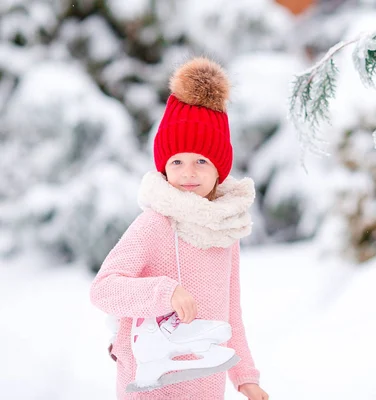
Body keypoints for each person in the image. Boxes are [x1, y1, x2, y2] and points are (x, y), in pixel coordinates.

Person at [89, 57, 269, 400]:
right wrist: (163, 292)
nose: (188, 172)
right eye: (177, 161)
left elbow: (230, 313)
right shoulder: (155, 224)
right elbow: (103, 289)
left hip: (205, 382)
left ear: (220, 169)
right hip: (151, 382)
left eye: (201, 161)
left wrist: (245, 375)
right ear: (164, 167)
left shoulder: (224, 232)